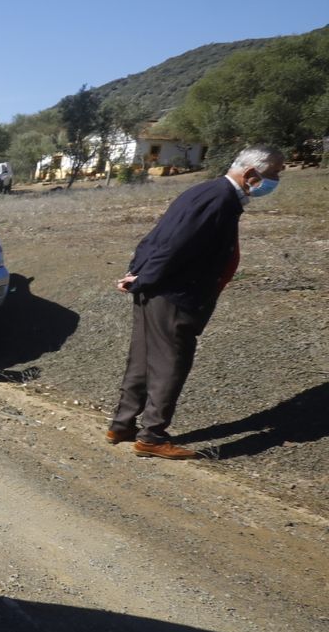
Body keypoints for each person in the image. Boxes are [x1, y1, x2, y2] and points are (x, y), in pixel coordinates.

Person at [108, 144, 284, 459]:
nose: (278, 178)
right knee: (170, 364)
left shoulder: (206, 192)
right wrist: (144, 277)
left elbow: (157, 236)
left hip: (159, 290)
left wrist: (137, 273)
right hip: (175, 296)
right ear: (252, 174)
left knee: (142, 359)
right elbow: (176, 244)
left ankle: (121, 425)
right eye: (275, 173)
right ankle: (151, 437)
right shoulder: (219, 199)